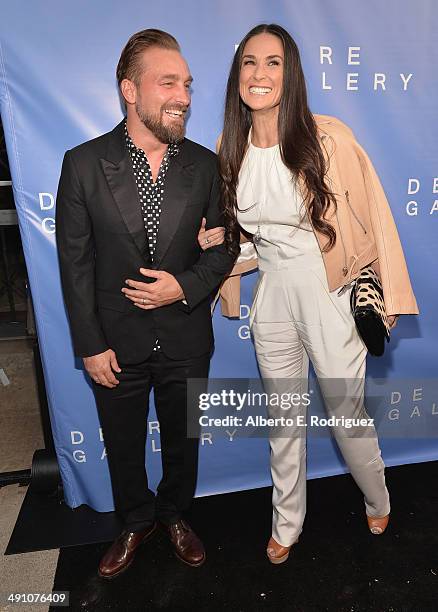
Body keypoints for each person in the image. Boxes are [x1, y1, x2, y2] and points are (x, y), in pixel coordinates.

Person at [200, 23, 419, 565]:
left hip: (328, 293)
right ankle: (287, 521)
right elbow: (252, 234)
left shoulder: (328, 137)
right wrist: (224, 240)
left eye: (273, 62)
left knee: (347, 414)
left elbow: (373, 221)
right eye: (249, 62)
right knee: (284, 419)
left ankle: (377, 494)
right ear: (237, 75)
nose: (259, 73)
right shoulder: (231, 146)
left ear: (290, 73)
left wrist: (382, 294)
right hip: (271, 292)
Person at [56, 28, 233, 578]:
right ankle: (135, 521)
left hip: (184, 337)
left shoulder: (204, 167)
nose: (182, 95)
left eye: (187, 83)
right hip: (116, 341)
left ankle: (176, 514)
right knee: (125, 446)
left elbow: (225, 247)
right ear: (129, 90)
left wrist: (185, 285)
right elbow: (76, 265)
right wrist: (90, 345)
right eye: (168, 82)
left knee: (184, 444)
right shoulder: (83, 165)